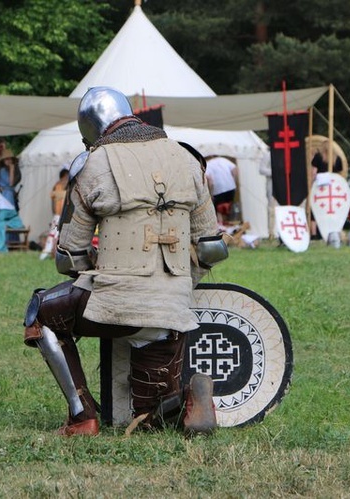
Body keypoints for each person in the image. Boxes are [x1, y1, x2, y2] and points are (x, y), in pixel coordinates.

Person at [22, 86, 228, 437]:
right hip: (173, 312)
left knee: (40, 312)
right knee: (147, 417)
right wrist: (175, 285)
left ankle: (81, 417)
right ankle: (186, 398)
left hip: (117, 307)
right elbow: (212, 249)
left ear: (91, 128)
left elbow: (68, 256)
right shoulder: (187, 158)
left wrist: (103, 269)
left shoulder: (92, 164)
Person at [39, 168, 70, 260]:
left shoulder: (68, 187)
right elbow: (54, 198)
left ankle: (61, 253)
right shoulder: (58, 186)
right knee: (53, 233)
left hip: (65, 215)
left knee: (63, 234)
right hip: (58, 215)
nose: (67, 178)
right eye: (66, 176)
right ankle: (47, 252)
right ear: (63, 177)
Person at [204, 155, 238, 227]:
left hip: (218, 190)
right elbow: (235, 169)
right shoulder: (223, 159)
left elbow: (210, 181)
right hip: (231, 187)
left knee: (219, 211)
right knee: (228, 209)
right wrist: (234, 182)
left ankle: (222, 228)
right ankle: (231, 226)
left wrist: (210, 194)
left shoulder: (207, 165)